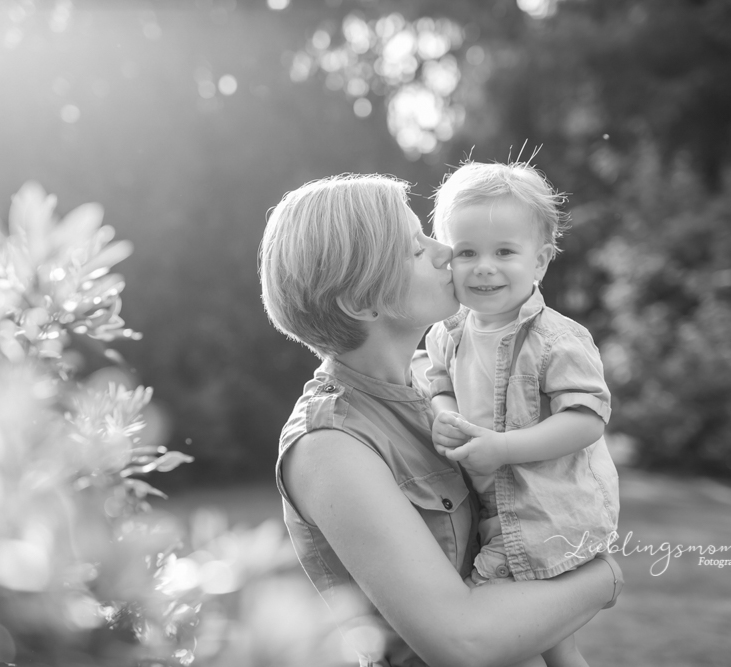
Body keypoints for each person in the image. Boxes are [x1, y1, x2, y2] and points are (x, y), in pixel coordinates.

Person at [259, 173, 622, 667]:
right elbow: (463, 643)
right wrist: (603, 578)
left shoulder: (437, 391)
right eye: (414, 249)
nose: (444, 252)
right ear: (361, 301)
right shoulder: (330, 445)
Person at [424, 162, 620, 667]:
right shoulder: (447, 333)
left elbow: (586, 419)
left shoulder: (557, 339)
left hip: (543, 509)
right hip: (488, 506)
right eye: (466, 252)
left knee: (478, 613)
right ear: (446, 258)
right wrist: (444, 412)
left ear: (540, 262)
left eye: (504, 252)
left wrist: (503, 448)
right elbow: (438, 383)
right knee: (552, 645)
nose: (483, 266)